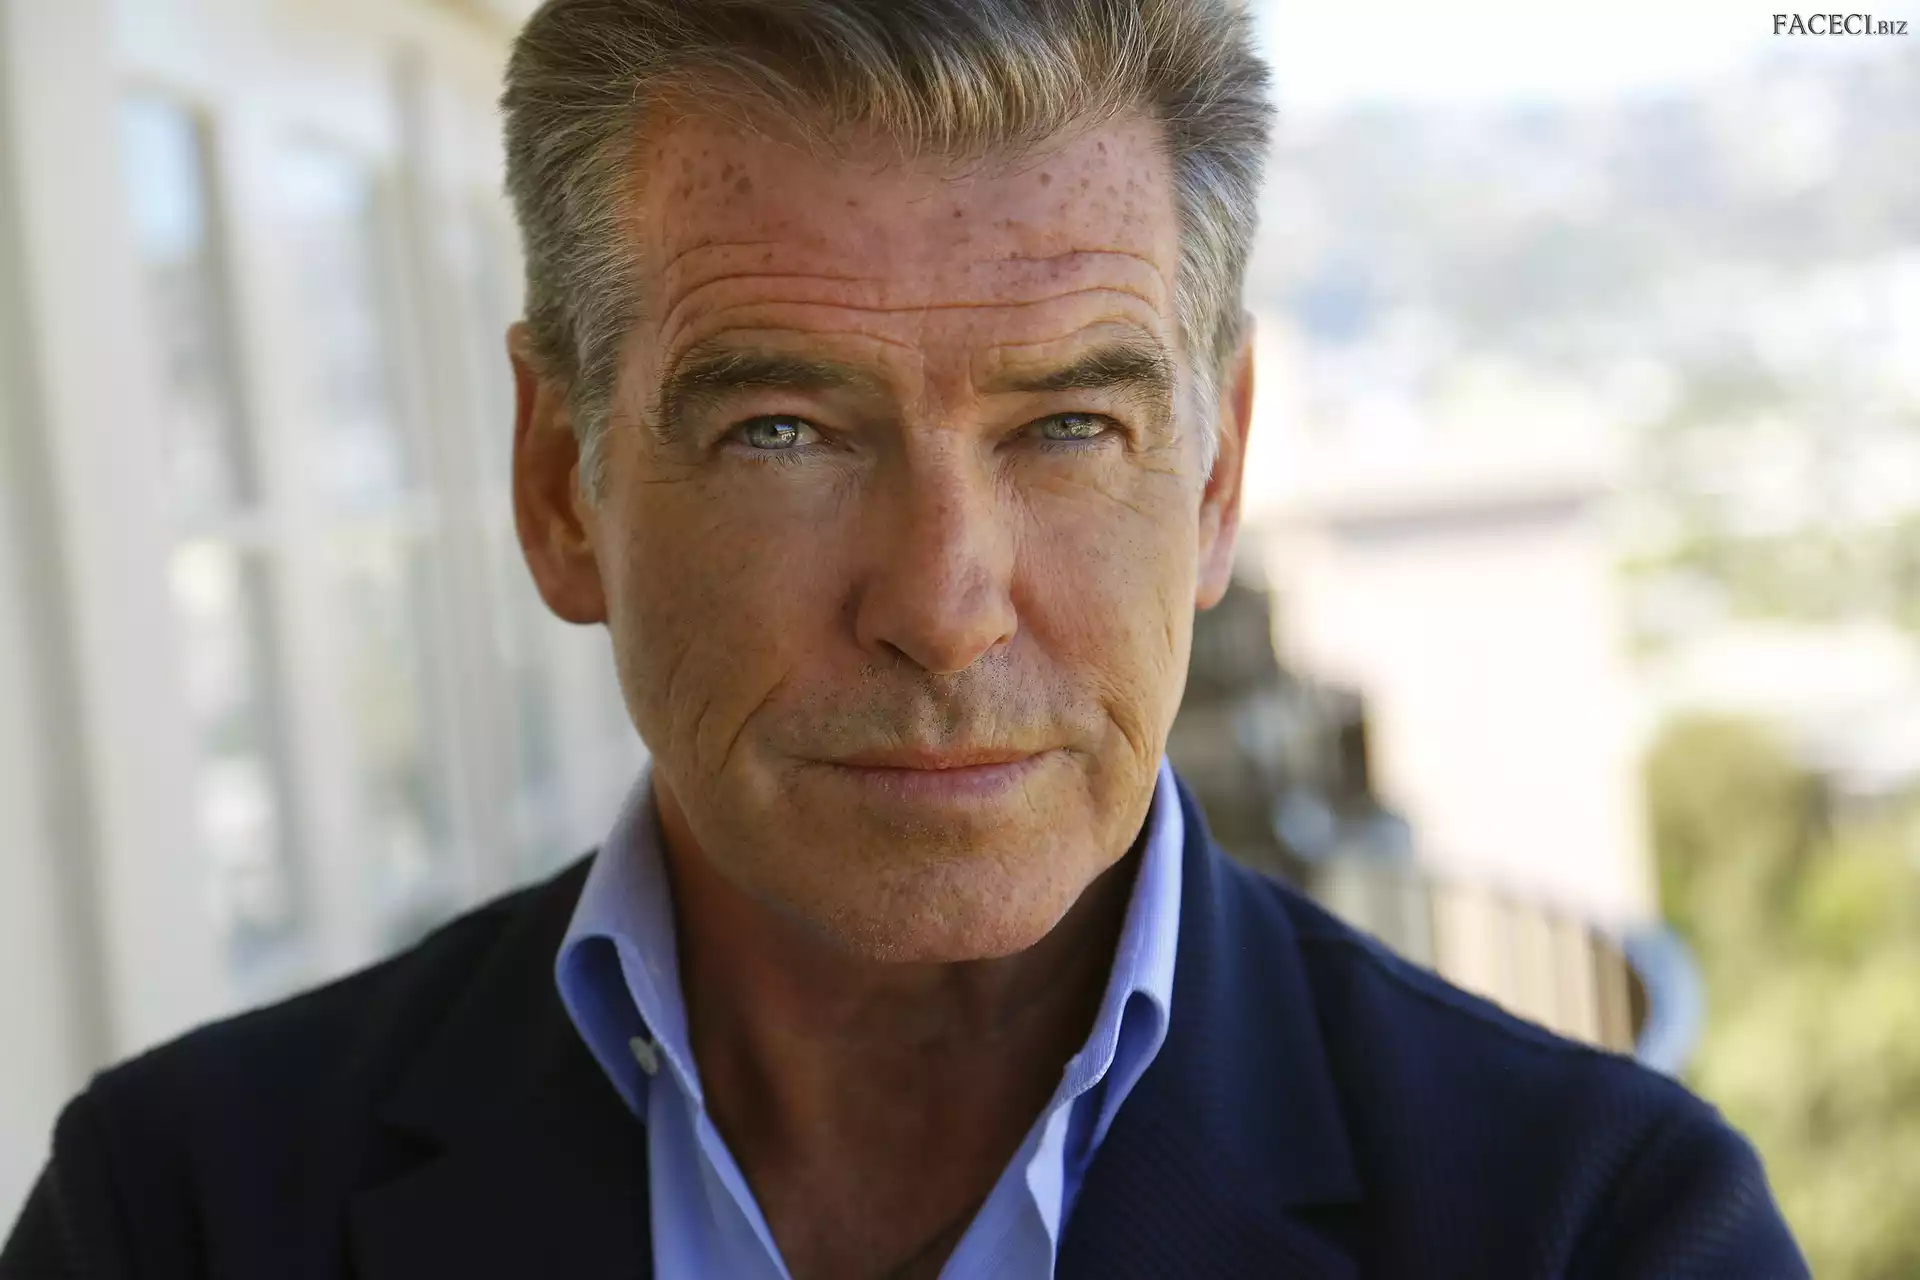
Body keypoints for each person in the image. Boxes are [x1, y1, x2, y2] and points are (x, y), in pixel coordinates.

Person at [2, 1, 1807, 1276]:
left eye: (1069, 427)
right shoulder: (176, 1218)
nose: (944, 605)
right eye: (784, 430)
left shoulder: (1600, 1231)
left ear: (1214, 480)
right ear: (562, 486)